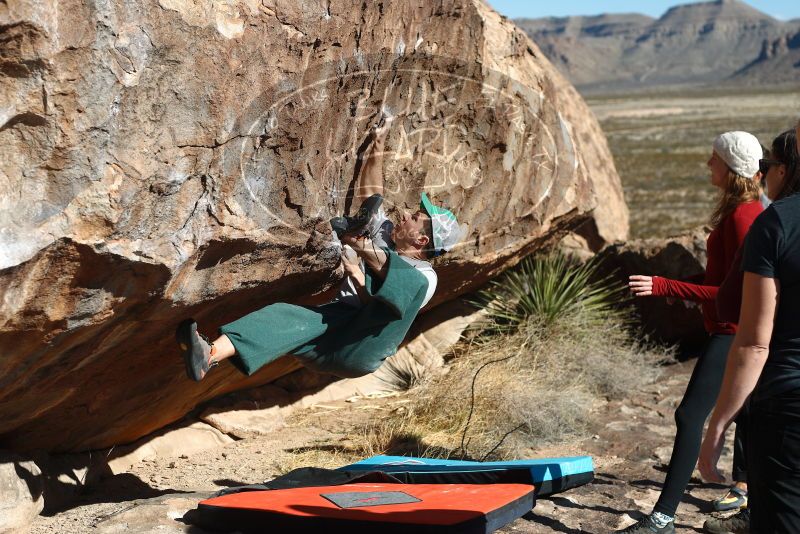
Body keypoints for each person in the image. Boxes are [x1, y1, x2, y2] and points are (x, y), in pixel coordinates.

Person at [176, 114, 465, 381]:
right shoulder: (387, 237)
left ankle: (359, 247)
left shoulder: (425, 278)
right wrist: (377, 144)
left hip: (360, 345)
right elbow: (372, 197)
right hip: (332, 332)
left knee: (397, 285)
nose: (406, 215)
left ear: (421, 241)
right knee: (282, 317)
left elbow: (381, 305)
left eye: (415, 218)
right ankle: (209, 355)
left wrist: (359, 262)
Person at [620, 131, 764, 534]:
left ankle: (663, 517)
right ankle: (748, 492)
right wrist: (678, 285)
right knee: (749, 415)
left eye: (714, 158)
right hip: (734, 328)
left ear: (731, 168)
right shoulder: (742, 211)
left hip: (733, 333)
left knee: (689, 415)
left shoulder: (742, 218)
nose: (708, 164)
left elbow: (732, 293)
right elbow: (723, 277)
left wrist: (667, 287)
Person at [699, 128, 800, 533]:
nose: (765, 175)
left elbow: (755, 342)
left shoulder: (774, 223)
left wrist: (719, 422)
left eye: (769, 165)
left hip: (787, 404)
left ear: (786, 170)